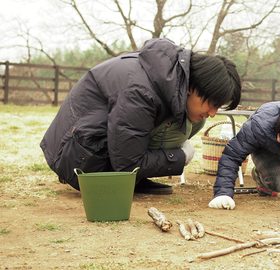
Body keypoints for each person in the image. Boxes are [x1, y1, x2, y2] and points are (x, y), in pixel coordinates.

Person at [40, 38, 241, 194]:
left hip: (90, 146)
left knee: (196, 119)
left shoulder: (168, 77)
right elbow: (127, 164)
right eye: (213, 104)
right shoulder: (141, 92)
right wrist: (179, 157)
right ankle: (127, 179)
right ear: (194, 88)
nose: (214, 113)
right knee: (188, 128)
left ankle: (135, 179)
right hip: (79, 161)